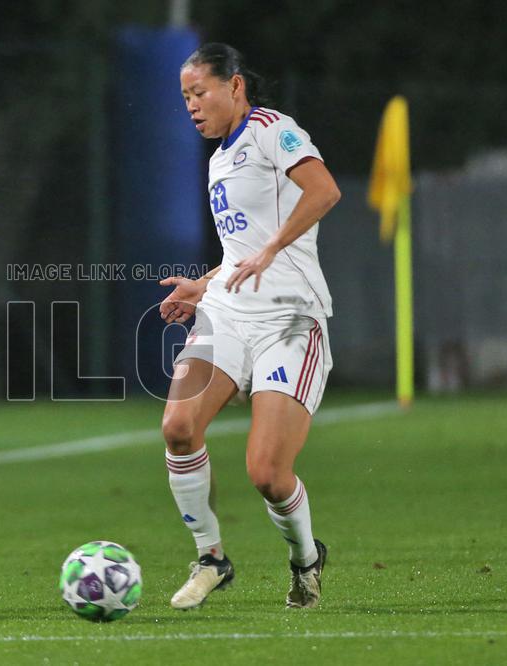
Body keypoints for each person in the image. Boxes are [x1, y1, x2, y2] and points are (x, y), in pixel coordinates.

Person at [159, 43, 340, 610]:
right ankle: (211, 558)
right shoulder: (218, 159)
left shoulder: (271, 129)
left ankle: (306, 559)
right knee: (178, 425)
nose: (191, 105)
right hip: (229, 312)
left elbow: (324, 191)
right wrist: (203, 284)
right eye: (184, 97)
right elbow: (242, 251)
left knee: (267, 473)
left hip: (289, 318)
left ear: (234, 86)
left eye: (199, 92)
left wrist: (273, 248)